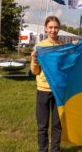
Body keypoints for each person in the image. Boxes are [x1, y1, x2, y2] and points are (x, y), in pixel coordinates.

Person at [30, 16, 63, 152]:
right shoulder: (40, 47)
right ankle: (42, 150)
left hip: (59, 91)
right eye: (50, 27)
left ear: (59, 29)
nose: (53, 30)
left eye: (55, 27)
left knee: (57, 124)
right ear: (45, 28)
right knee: (42, 125)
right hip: (43, 90)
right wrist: (34, 59)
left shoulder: (63, 47)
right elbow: (35, 71)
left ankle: (55, 149)